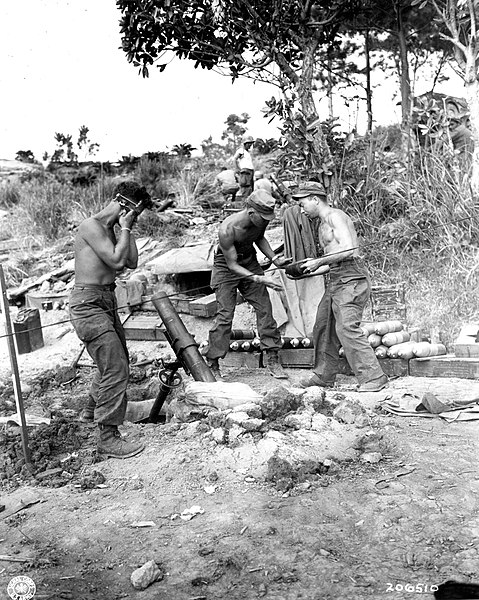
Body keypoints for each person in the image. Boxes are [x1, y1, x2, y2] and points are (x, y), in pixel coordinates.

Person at [69, 180, 153, 459]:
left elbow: (131, 262)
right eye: (134, 212)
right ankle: (108, 436)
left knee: (115, 360)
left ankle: (90, 410)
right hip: (87, 303)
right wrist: (126, 227)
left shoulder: (112, 230)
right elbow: (117, 263)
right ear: (123, 204)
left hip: (106, 300)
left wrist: (127, 228)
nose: (134, 219)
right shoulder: (90, 226)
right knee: (115, 365)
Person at [292, 181, 388, 393]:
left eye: (302, 204)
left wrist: (317, 261)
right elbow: (332, 262)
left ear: (315, 199)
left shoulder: (335, 216)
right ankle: (323, 376)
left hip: (352, 278)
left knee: (346, 327)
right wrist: (306, 271)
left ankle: (374, 377)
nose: (301, 209)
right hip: (337, 278)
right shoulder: (321, 223)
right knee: (323, 326)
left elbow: (350, 250)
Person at [203, 189, 291, 379]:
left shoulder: (260, 220)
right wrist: (258, 278)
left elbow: (258, 238)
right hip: (226, 267)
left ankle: (273, 357)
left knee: (265, 308)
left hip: (249, 260)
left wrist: (275, 259)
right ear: (251, 212)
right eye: (264, 217)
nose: (267, 221)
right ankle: (213, 361)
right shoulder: (227, 230)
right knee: (225, 315)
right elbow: (232, 265)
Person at [234, 135, 255, 199]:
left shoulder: (247, 152)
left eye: (251, 143)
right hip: (245, 171)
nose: (250, 145)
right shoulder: (241, 151)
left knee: (250, 188)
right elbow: (235, 159)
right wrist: (237, 168)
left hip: (250, 171)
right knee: (246, 188)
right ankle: (245, 204)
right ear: (245, 144)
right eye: (248, 143)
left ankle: (249, 203)